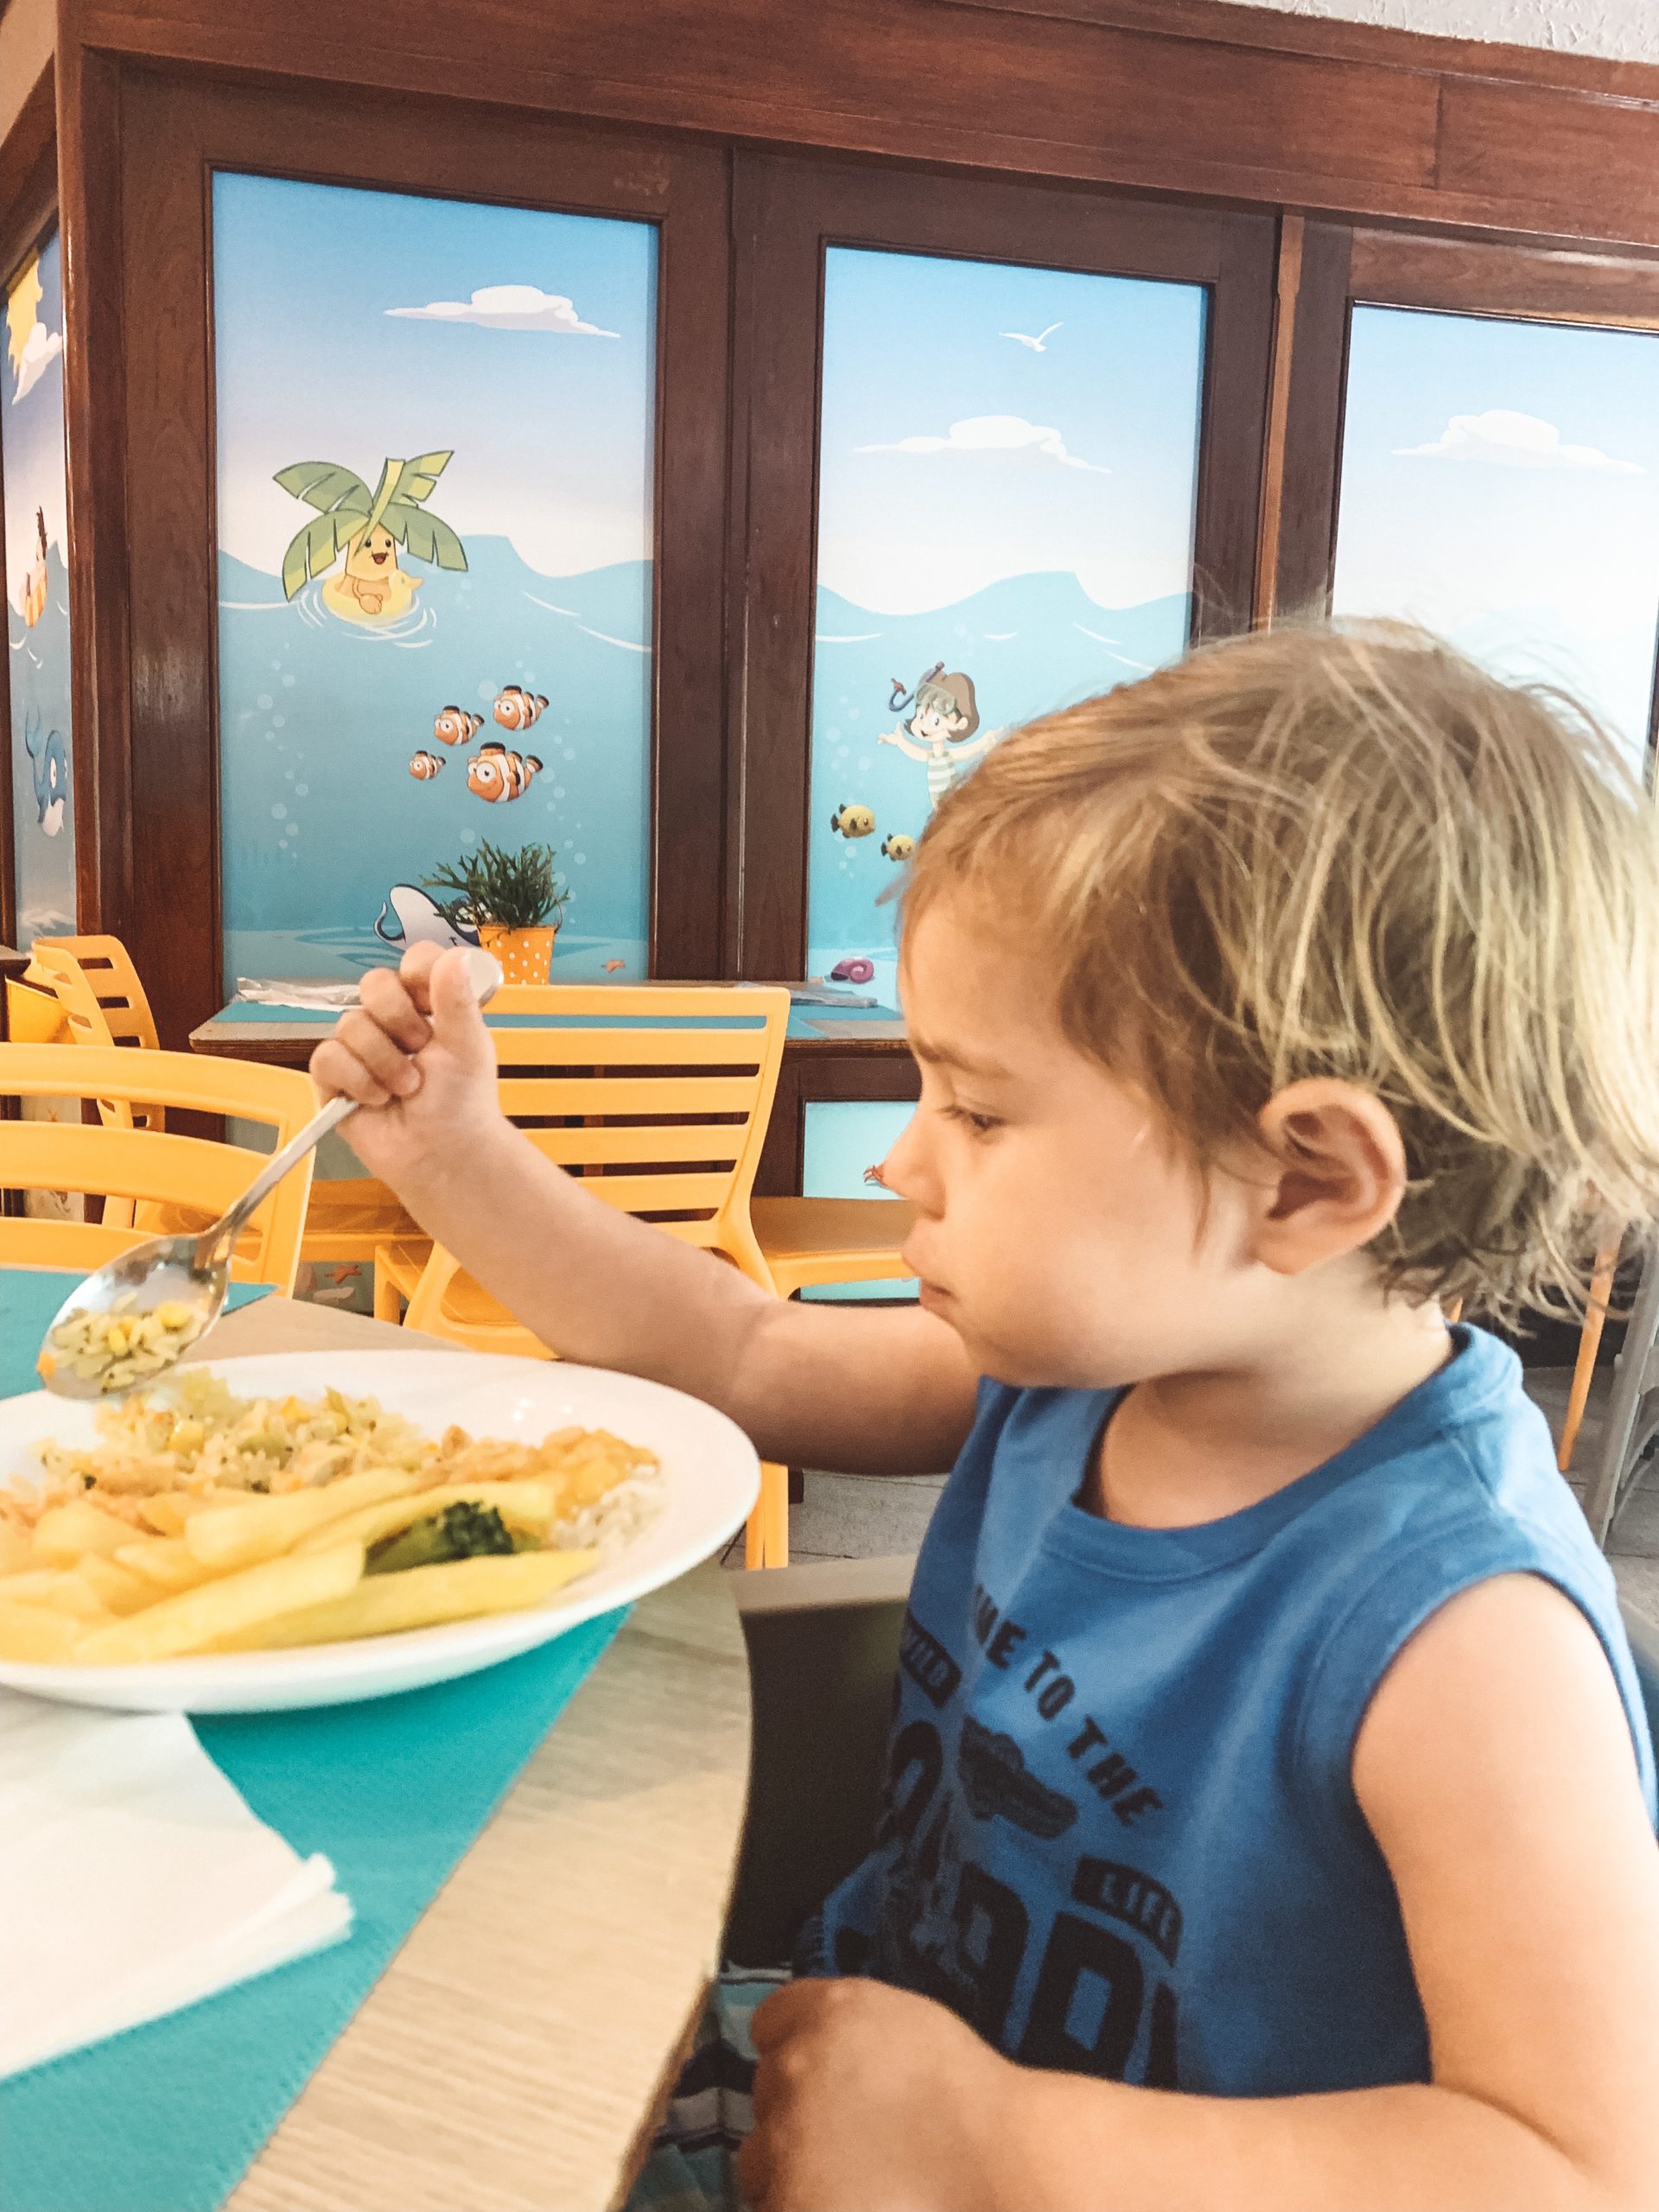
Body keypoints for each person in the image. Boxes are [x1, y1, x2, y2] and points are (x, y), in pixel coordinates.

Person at [315, 621, 1659, 2212]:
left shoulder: (1465, 1636)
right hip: (839, 2060)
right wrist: (458, 1159)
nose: (901, 1162)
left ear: (1304, 1178)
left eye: (977, 1107)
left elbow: (1578, 2164)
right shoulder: (1073, 1375)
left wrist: (996, 2147)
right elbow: (743, 1351)